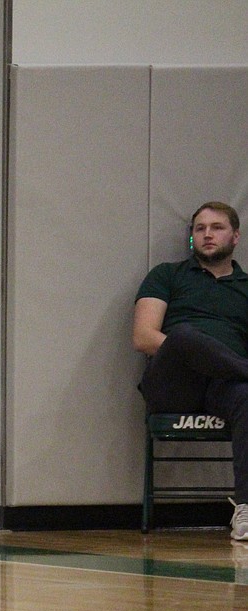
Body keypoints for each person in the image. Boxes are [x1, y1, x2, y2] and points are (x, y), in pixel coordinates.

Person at [133, 201, 248, 541]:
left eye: (217, 227)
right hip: (173, 382)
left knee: (247, 395)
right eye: (200, 229)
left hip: (225, 386)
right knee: (183, 336)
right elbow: (143, 337)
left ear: (236, 236)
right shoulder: (167, 275)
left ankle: (245, 508)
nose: (207, 234)